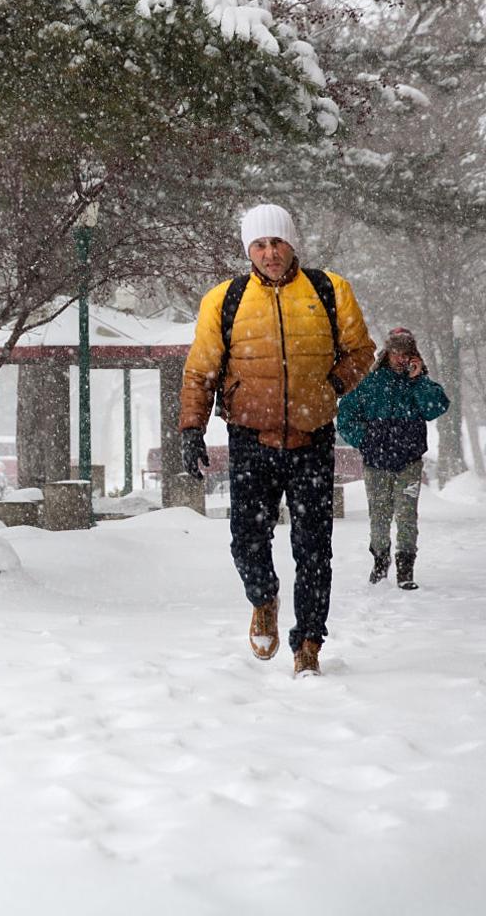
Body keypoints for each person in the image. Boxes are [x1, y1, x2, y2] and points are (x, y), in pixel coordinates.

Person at [180, 203, 375, 676]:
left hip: (312, 439)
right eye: (260, 245)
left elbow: (361, 350)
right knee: (246, 539)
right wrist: (191, 428)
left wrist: (330, 387)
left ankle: (308, 642)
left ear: (292, 244)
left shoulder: (329, 289)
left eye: (277, 243)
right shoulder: (224, 300)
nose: (270, 253)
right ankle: (263, 598)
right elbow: (201, 369)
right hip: (250, 438)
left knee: (313, 548)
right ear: (249, 250)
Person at [337, 327, 449, 590]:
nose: (401, 358)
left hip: (409, 462)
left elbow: (436, 408)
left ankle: (405, 569)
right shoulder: (368, 382)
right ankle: (379, 562)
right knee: (379, 516)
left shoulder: (419, 383)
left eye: (406, 353)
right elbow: (345, 417)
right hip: (376, 463)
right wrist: (365, 439)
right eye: (397, 352)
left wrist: (418, 380)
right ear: (388, 353)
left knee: (407, 515)